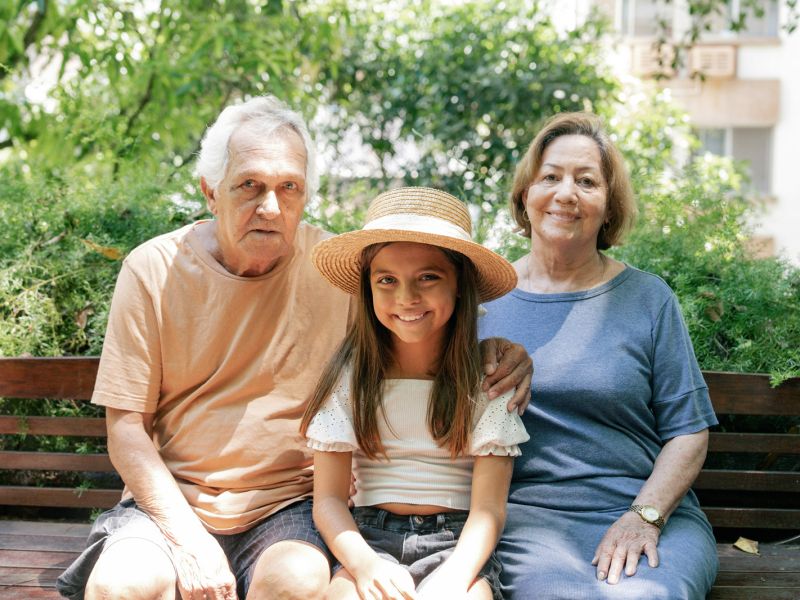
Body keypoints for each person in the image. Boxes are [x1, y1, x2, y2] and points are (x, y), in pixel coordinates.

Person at [56, 97, 533, 600]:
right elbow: (126, 429)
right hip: (171, 504)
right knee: (121, 587)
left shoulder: (341, 276)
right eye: (249, 186)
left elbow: (428, 317)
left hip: (288, 507)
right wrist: (190, 540)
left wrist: (503, 351)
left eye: (289, 188)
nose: (270, 206)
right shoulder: (152, 269)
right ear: (210, 192)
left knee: (297, 583)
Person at [479, 112, 719, 599]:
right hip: (527, 521)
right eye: (551, 177)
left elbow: (689, 431)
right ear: (526, 194)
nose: (566, 193)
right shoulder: (483, 299)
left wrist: (643, 516)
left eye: (586, 181)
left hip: (648, 512)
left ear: (608, 207)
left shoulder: (648, 299)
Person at [299, 187, 530, 600]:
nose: (406, 297)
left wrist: (455, 576)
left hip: (459, 545)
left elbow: (488, 510)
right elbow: (329, 502)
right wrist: (365, 565)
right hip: (367, 538)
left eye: (428, 277)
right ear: (368, 289)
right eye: (386, 280)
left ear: (460, 284)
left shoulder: (486, 378)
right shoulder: (351, 377)